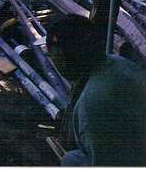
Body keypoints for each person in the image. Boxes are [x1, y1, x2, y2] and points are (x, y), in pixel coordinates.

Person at [46, 14, 146, 166]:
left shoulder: (91, 105)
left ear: (61, 56)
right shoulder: (119, 63)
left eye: (51, 53)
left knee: (70, 161)